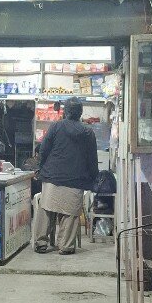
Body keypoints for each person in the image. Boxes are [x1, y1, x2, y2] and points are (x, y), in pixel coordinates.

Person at [34, 97, 99, 255]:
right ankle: (65, 246)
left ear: (65, 112)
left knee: (46, 210)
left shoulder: (56, 126)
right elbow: (92, 159)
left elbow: (44, 150)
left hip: (52, 177)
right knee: (70, 215)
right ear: (80, 113)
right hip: (75, 180)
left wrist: (40, 168)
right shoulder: (88, 132)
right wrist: (93, 178)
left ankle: (40, 243)